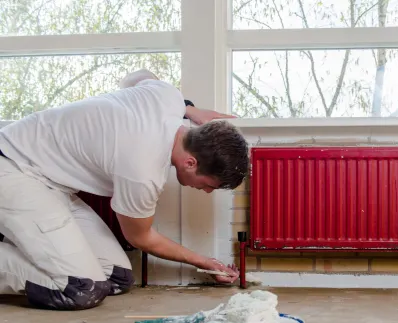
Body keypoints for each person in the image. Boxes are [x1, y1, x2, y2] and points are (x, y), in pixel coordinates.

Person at [0, 69, 248, 310]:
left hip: (54, 183)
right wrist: (203, 261)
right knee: (79, 290)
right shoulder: (143, 170)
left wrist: (189, 108)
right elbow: (140, 237)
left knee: (118, 279)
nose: (204, 191)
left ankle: (25, 239)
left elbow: (137, 76)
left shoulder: (168, 96)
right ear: (190, 162)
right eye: (208, 185)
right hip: (14, 168)